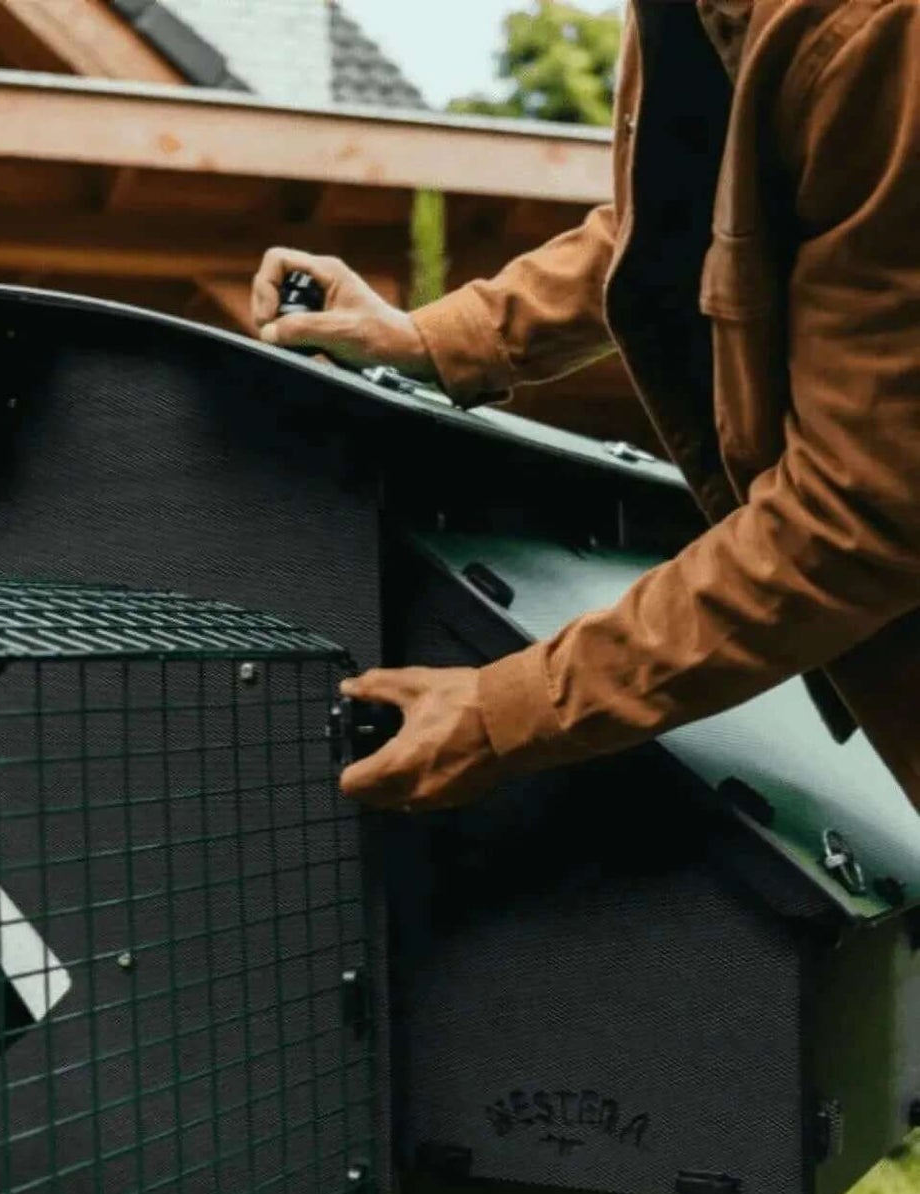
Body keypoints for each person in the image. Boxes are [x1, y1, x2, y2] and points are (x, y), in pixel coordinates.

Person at [251, 0, 920, 817]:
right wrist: (429, 337)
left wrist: (507, 711)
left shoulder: (875, 32)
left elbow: (861, 511)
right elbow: (673, 218)